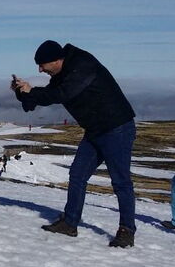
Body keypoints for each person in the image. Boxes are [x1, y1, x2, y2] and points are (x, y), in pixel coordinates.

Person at [13, 40, 137, 248]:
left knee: (121, 182)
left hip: (117, 128)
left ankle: (126, 230)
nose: (40, 69)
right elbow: (42, 98)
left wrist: (31, 93)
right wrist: (23, 92)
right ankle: (70, 223)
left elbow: (61, 95)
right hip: (95, 130)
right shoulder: (62, 72)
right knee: (77, 174)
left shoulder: (82, 65)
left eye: (42, 65)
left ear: (56, 60)